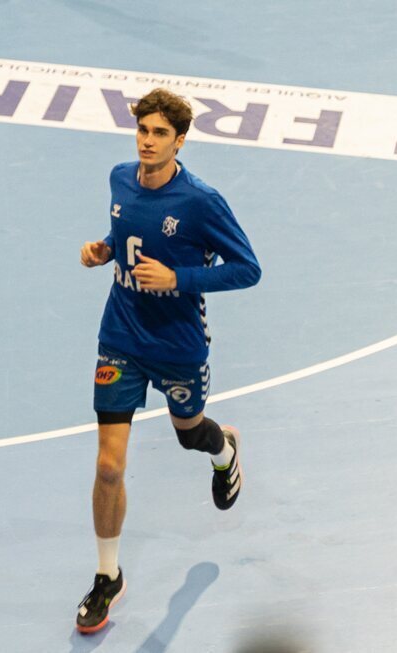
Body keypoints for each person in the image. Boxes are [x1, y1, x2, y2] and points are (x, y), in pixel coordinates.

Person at [76, 88, 262, 634]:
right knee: (109, 465)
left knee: (189, 434)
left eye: (159, 134)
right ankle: (107, 576)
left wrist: (180, 279)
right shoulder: (118, 178)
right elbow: (125, 230)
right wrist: (105, 249)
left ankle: (224, 447)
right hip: (121, 339)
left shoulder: (201, 201)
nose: (147, 141)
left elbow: (247, 268)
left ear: (179, 141)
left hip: (179, 347)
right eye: (142, 130)